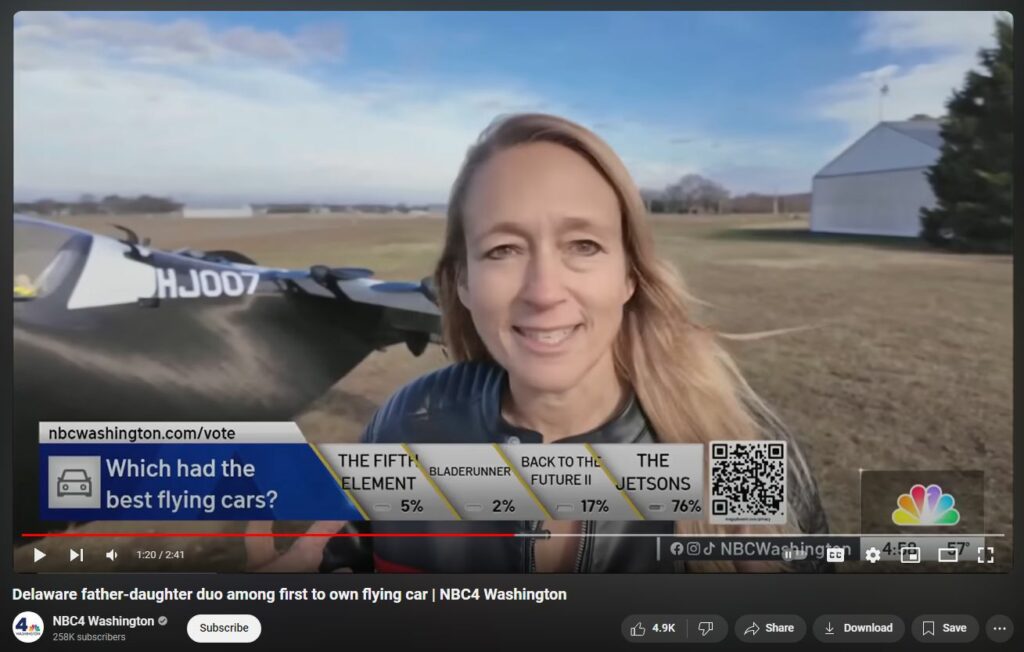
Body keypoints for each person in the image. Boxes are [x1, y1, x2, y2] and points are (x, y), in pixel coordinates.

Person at [247, 113, 830, 573]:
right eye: (504, 249)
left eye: (583, 245)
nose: (544, 292)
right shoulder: (409, 426)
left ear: (629, 275)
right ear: (463, 283)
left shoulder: (736, 447)